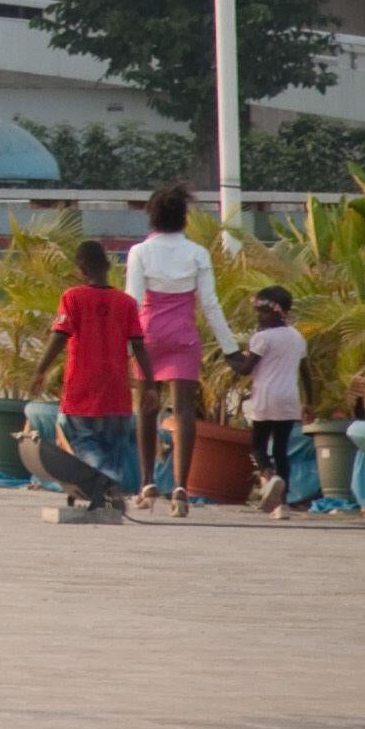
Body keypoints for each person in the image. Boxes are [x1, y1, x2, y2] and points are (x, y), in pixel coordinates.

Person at [126, 185, 234, 519]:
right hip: (184, 336)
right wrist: (230, 348)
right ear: (184, 219)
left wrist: (125, 343)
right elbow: (211, 305)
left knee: (146, 408)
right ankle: (181, 487)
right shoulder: (197, 253)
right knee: (185, 411)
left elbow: (132, 299)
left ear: (152, 219)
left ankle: (146, 482)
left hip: (148, 336)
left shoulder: (140, 252)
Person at [33, 236, 151, 523]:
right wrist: (150, 384)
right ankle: (106, 497)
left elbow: (59, 337)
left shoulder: (73, 297)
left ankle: (108, 485)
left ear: (81, 268)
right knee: (112, 447)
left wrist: (40, 370)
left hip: (82, 389)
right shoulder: (126, 303)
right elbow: (138, 345)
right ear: (107, 266)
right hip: (117, 391)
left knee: (80, 441)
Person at [236, 286, 307, 517]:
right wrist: (311, 402)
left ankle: (268, 476)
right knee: (281, 450)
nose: (259, 317)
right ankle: (282, 504)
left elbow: (245, 369)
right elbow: (307, 373)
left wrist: (232, 358)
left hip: (266, 398)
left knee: (256, 447)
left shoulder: (262, 338)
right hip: (289, 399)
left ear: (278, 312)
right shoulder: (297, 338)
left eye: (263, 312)